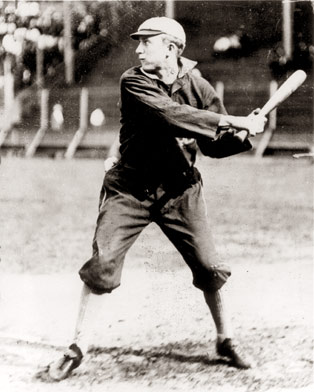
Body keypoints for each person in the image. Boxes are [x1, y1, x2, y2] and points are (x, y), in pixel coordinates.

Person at [38, 17, 266, 381]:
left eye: (147, 42)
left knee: (209, 267)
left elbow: (214, 145)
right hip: (129, 188)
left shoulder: (199, 86)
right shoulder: (134, 81)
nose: (138, 48)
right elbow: (170, 115)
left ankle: (226, 338)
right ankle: (77, 346)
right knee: (104, 263)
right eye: (138, 42)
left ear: (172, 48)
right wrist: (234, 120)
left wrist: (243, 131)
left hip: (180, 190)